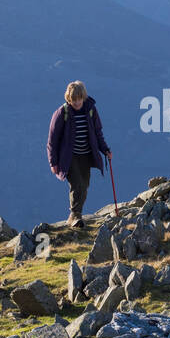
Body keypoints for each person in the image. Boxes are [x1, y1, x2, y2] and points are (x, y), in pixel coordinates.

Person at [47, 81, 112, 228]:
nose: (76, 102)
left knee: (85, 185)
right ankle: (76, 216)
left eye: (79, 99)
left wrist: (105, 150)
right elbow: (52, 140)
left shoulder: (91, 110)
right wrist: (53, 162)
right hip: (69, 157)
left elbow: (98, 133)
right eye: (73, 100)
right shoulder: (62, 113)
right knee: (77, 185)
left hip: (86, 155)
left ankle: (74, 215)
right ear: (68, 99)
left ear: (83, 97)